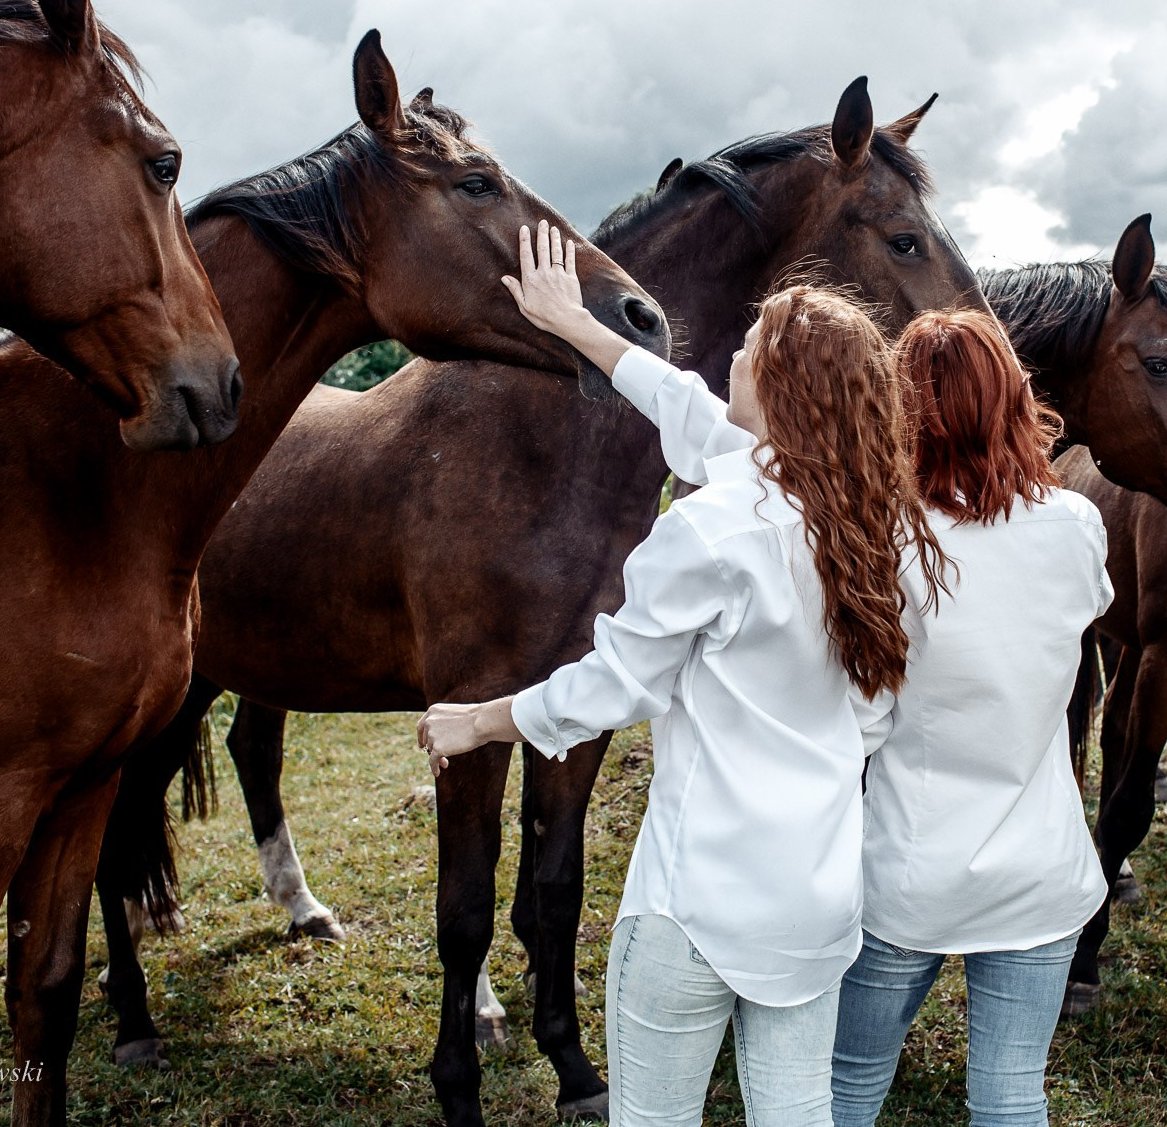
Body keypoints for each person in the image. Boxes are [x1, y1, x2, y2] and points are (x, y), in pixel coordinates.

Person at [417, 222, 934, 1127]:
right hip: (816, 896)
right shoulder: (872, 527)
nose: (729, 358)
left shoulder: (709, 530)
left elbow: (615, 686)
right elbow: (684, 404)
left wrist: (481, 720)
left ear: (783, 388)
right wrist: (578, 327)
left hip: (693, 911)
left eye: (751, 347)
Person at [828, 309, 1113, 1127]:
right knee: (1013, 1091)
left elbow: (865, 715)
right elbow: (1090, 604)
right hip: (1043, 866)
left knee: (849, 1082)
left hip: (911, 872)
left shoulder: (892, 538)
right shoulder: (1076, 525)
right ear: (1014, 401)